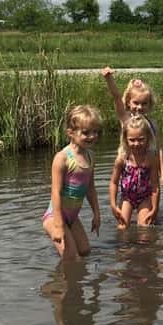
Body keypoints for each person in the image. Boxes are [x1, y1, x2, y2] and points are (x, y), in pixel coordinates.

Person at [42, 105, 103, 259]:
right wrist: (58, 226)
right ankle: (60, 282)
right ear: (70, 133)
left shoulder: (90, 156)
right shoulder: (62, 158)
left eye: (95, 132)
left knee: (84, 252)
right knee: (71, 258)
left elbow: (90, 188)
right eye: (86, 133)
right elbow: (55, 192)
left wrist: (96, 213)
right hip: (55, 217)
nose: (92, 136)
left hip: (72, 216)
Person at [100, 67, 163, 190]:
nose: (139, 107)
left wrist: (162, 174)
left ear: (150, 104)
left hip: (148, 172)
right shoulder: (126, 119)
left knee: (151, 205)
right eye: (136, 103)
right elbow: (116, 97)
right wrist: (109, 79)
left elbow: (158, 150)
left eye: (144, 103)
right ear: (128, 103)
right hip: (130, 171)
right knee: (128, 201)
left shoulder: (152, 124)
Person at [109, 114, 161, 229]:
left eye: (141, 139)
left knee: (144, 228)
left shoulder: (151, 158)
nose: (136, 144)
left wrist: (155, 208)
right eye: (132, 140)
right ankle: (123, 247)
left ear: (148, 138)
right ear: (125, 139)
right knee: (122, 227)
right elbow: (113, 182)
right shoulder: (122, 158)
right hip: (127, 197)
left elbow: (155, 186)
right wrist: (113, 204)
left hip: (145, 197)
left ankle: (144, 246)